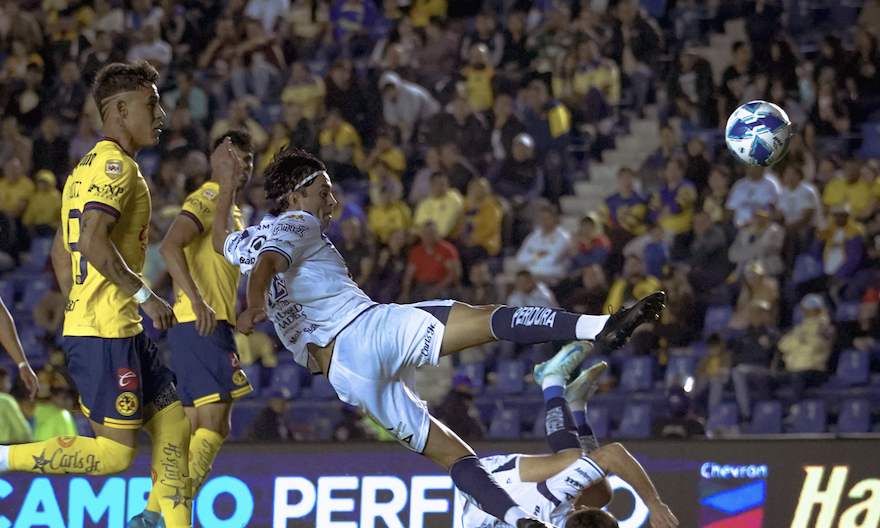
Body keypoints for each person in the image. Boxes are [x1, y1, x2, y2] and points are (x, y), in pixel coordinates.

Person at [209, 144, 666, 528]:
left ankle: (517, 520)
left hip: (344, 376)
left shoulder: (246, 239)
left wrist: (226, 185)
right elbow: (269, 263)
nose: (331, 203)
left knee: (454, 457)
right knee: (486, 319)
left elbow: (222, 243)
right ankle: (600, 327)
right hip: (366, 331)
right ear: (296, 196)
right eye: (324, 192)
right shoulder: (299, 223)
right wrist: (251, 307)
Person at [0, 60, 195, 528]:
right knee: (113, 457)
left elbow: (60, 251)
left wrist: (79, 305)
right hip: (107, 334)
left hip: (108, 326)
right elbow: (89, 241)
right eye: (152, 104)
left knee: (173, 424)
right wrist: (144, 294)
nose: (162, 114)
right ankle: (2, 459)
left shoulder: (83, 168)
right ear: (121, 109)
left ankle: (156, 519)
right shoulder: (115, 167)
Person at [128, 132, 257, 528]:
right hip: (203, 323)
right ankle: (161, 515)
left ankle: (151, 513)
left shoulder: (232, 211)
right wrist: (198, 301)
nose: (245, 167)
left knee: (192, 433)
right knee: (216, 424)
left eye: (250, 161)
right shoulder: (207, 198)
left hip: (196, 327)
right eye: (238, 158)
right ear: (221, 159)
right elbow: (169, 247)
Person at [457, 342, 679, 528]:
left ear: (580, 509)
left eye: (583, 508)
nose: (583, 504)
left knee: (571, 460)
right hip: (484, 513)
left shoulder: (555, 501)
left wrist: (654, 504)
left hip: (484, 484)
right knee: (601, 494)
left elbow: (614, 454)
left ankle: (551, 380)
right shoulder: (561, 511)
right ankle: (575, 408)